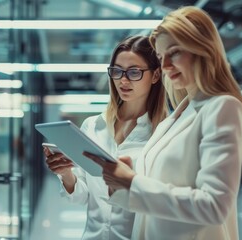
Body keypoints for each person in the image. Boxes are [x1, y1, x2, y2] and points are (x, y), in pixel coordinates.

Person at [84, 6, 242, 240]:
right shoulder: (178, 115)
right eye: (160, 56)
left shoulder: (222, 107)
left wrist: (132, 182)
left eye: (174, 52)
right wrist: (120, 184)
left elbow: (215, 207)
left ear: (202, 49)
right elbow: (156, 190)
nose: (165, 65)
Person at [43, 35, 168, 239]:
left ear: (155, 75)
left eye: (134, 72)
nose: (123, 80)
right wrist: (66, 174)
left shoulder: (163, 133)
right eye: (117, 71)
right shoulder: (93, 126)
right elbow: (82, 197)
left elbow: (165, 203)